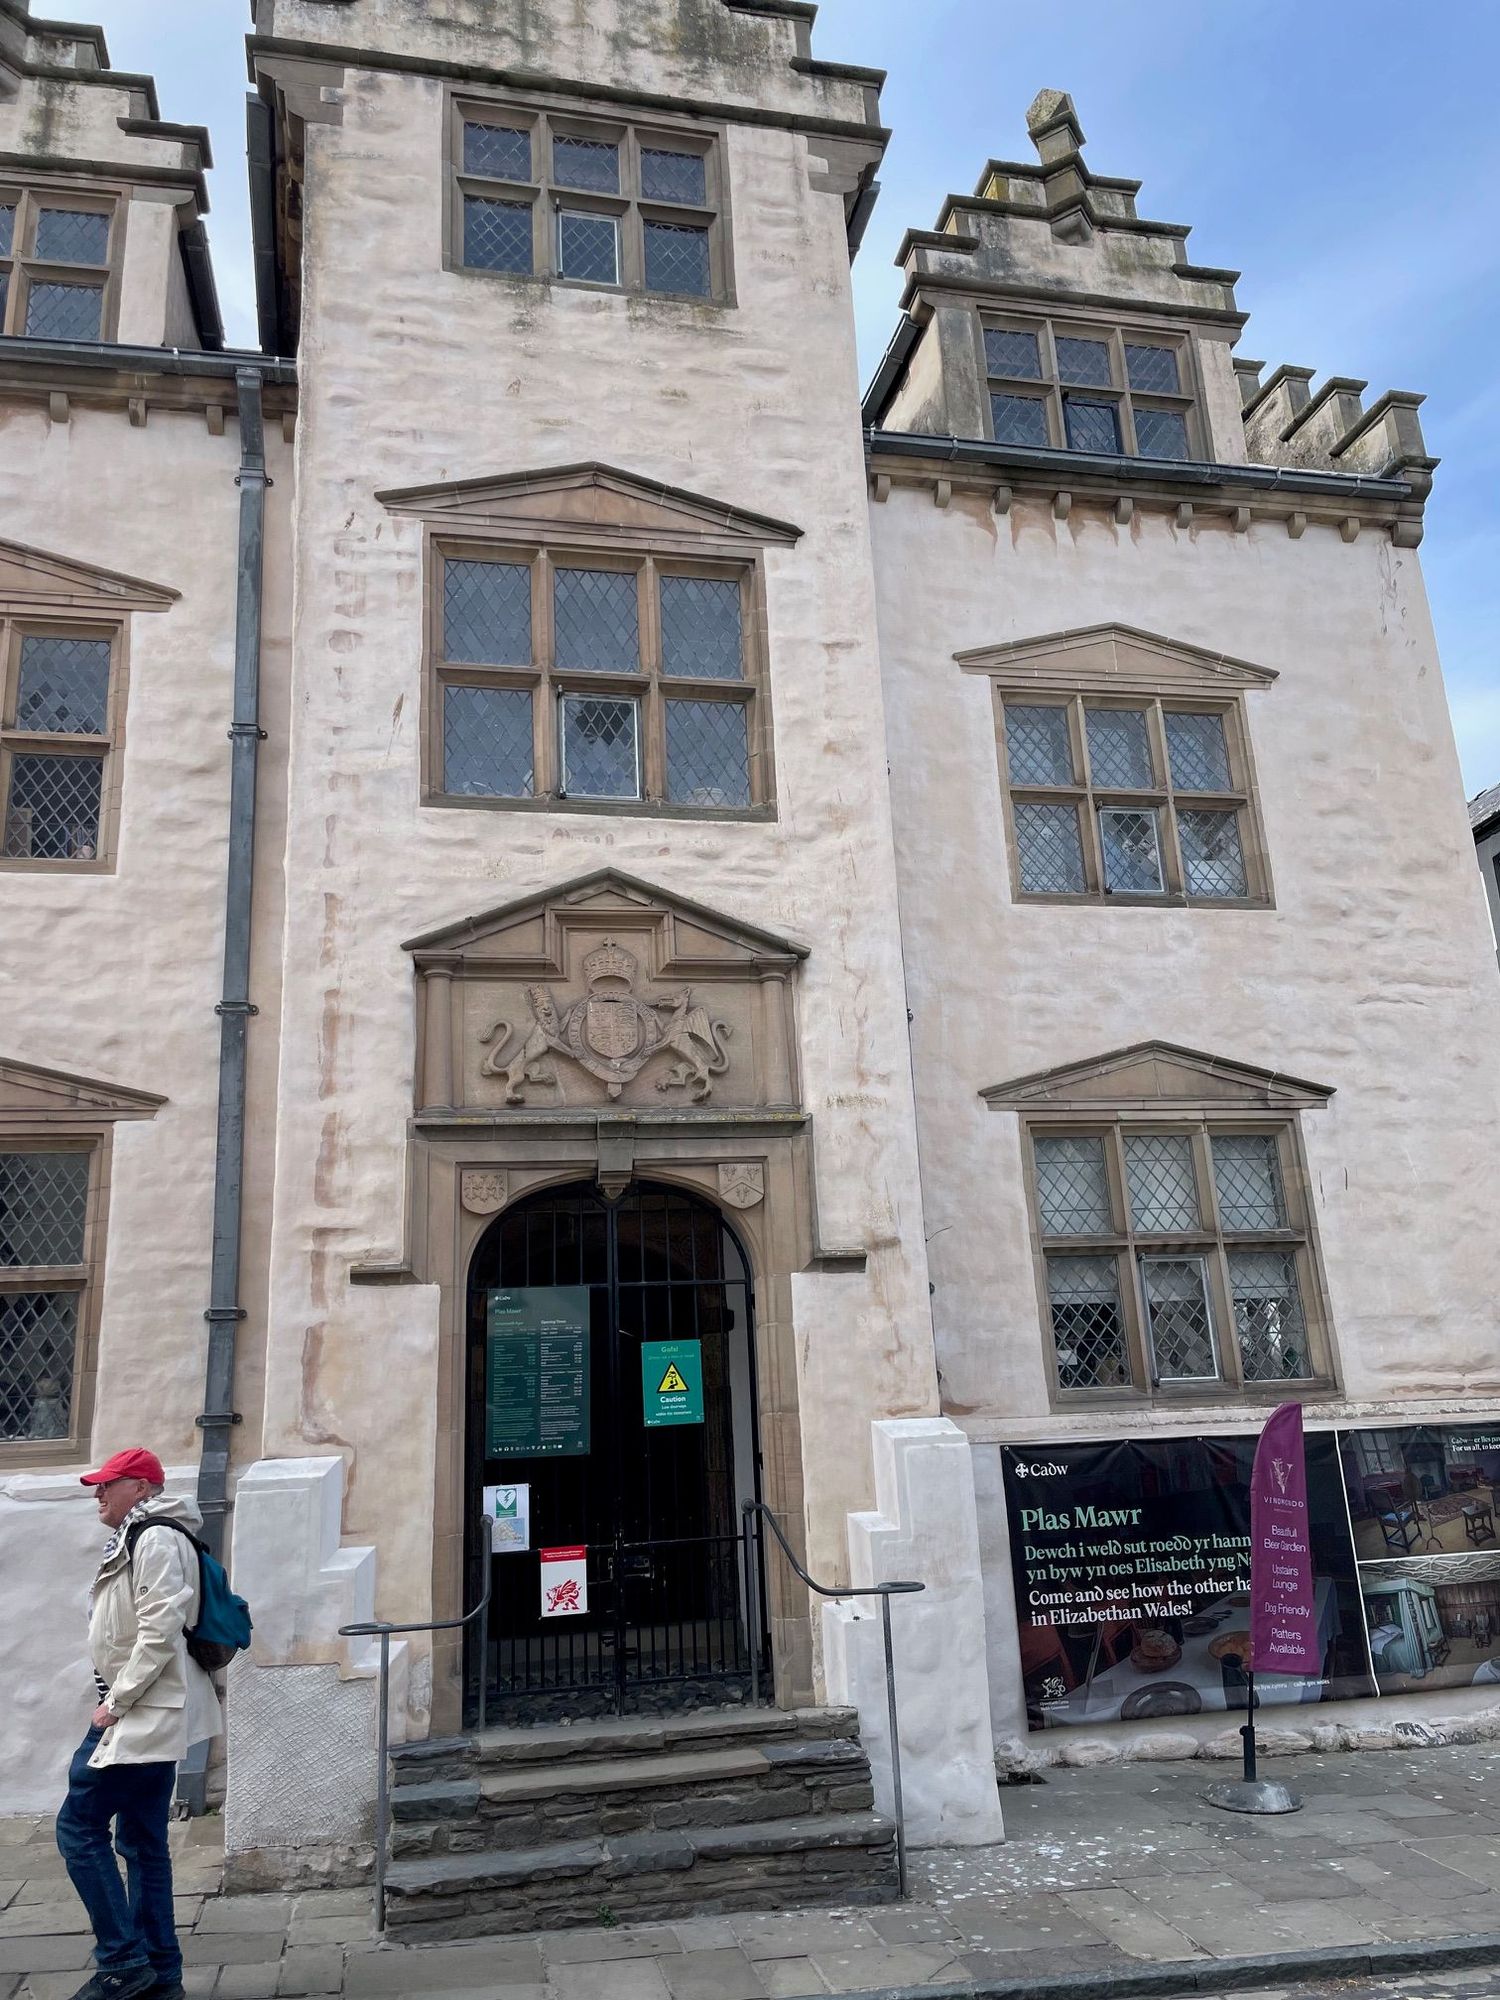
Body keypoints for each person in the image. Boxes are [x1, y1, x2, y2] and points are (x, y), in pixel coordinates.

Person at [56, 1449, 222, 2000]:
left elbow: (159, 1629)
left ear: (143, 1488)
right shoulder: (141, 1535)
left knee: (78, 1828)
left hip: (142, 1712)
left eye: (110, 1483)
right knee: (142, 1841)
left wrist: (116, 1702)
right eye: (97, 1485)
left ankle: (123, 1963)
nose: (98, 1493)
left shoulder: (154, 1537)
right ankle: (162, 1976)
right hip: (151, 1711)